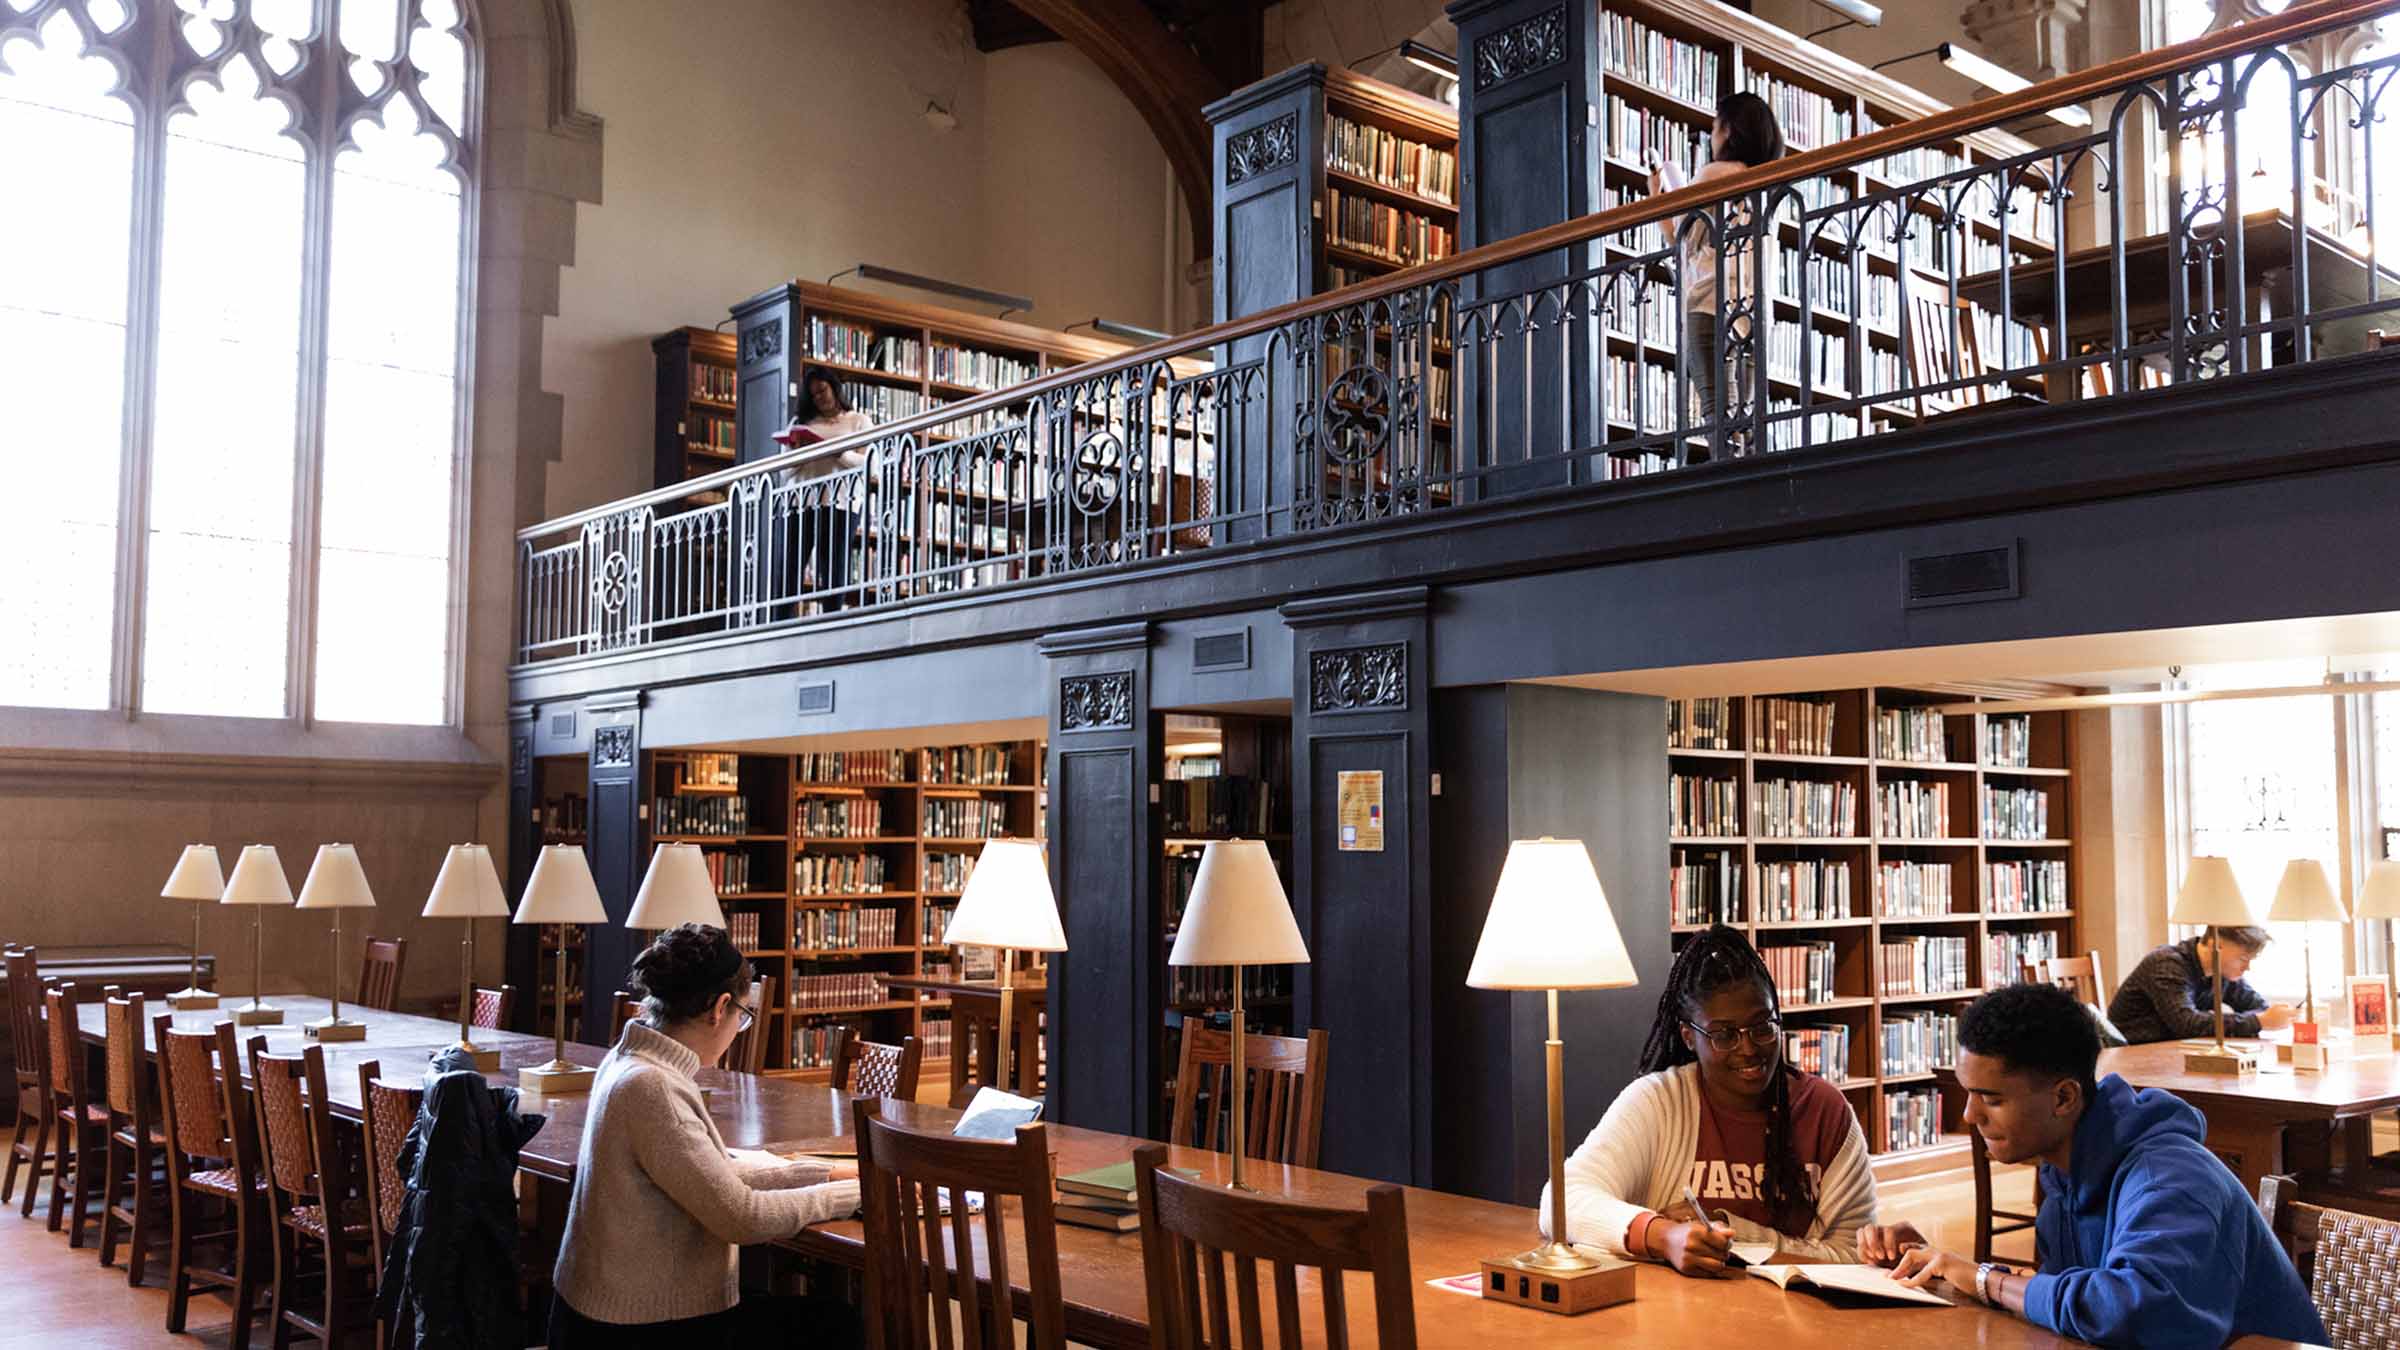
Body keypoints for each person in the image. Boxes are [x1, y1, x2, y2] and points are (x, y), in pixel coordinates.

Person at [1860, 982, 2325, 1347]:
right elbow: (2073, 1300)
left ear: (2064, 1097)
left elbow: (2135, 1311)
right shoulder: (2062, 1169)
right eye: (1968, 1093)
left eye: (1992, 1099)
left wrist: (1983, 1279)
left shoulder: (2170, 1176)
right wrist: (1945, 1270)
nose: (1969, 1116)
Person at [550, 923, 862, 1346]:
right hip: (640, 1326)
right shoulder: (652, 1087)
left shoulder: (631, 1062)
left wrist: (826, 1176)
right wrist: (858, 1197)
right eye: (743, 1016)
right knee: (840, 1326)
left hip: (610, 1311)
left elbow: (716, 1176)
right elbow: (742, 1216)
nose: (738, 1029)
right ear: (720, 1008)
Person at [1544, 924, 1877, 1274]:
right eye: (1724, 1035)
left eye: (1762, 1026)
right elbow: (1561, 1203)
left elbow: (1857, 1257)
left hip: (1803, 1320)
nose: (1748, 1049)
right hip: (1685, 1317)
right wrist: (1662, 1235)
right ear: (1689, 1037)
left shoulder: (1825, 1111)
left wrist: (1738, 1233)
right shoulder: (1659, 1102)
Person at [1649, 91, 1783, 457]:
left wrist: (1659, 197)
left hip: (1711, 302)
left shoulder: (1715, 174)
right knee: (1747, 416)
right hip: (1755, 314)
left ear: (1729, 131)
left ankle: (1731, 487)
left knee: (1716, 410)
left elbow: (1684, 238)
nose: (1711, 138)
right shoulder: (1769, 185)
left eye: (1713, 128)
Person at [773, 367, 876, 612]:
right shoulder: (799, 423)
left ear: (834, 387)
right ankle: (780, 624)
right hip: (800, 501)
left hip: (840, 501)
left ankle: (832, 620)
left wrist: (839, 452)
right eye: (814, 394)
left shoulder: (858, 421)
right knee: (789, 566)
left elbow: (872, 466)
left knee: (833, 567)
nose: (820, 397)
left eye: (823, 390)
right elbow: (784, 471)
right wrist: (800, 453)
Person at [2105, 924, 2293, 1044]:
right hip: (2135, 1057)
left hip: (2173, 1054)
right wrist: (2258, 1022)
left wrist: (2261, 1019)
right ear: (2216, 944)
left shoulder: (2222, 971)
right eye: (2243, 958)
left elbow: (2258, 1007)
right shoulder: (2167, 965)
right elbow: (2187, 1024)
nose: (2248, 967)